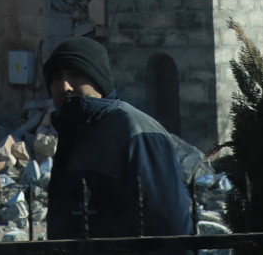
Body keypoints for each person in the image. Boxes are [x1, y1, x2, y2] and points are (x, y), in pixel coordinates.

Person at [40, 37, 194, 239]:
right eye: (56, 78)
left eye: (76, 75)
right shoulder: (75, 131)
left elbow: (170, 227)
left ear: (98, 80)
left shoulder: (132, 129)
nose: (64, 86)